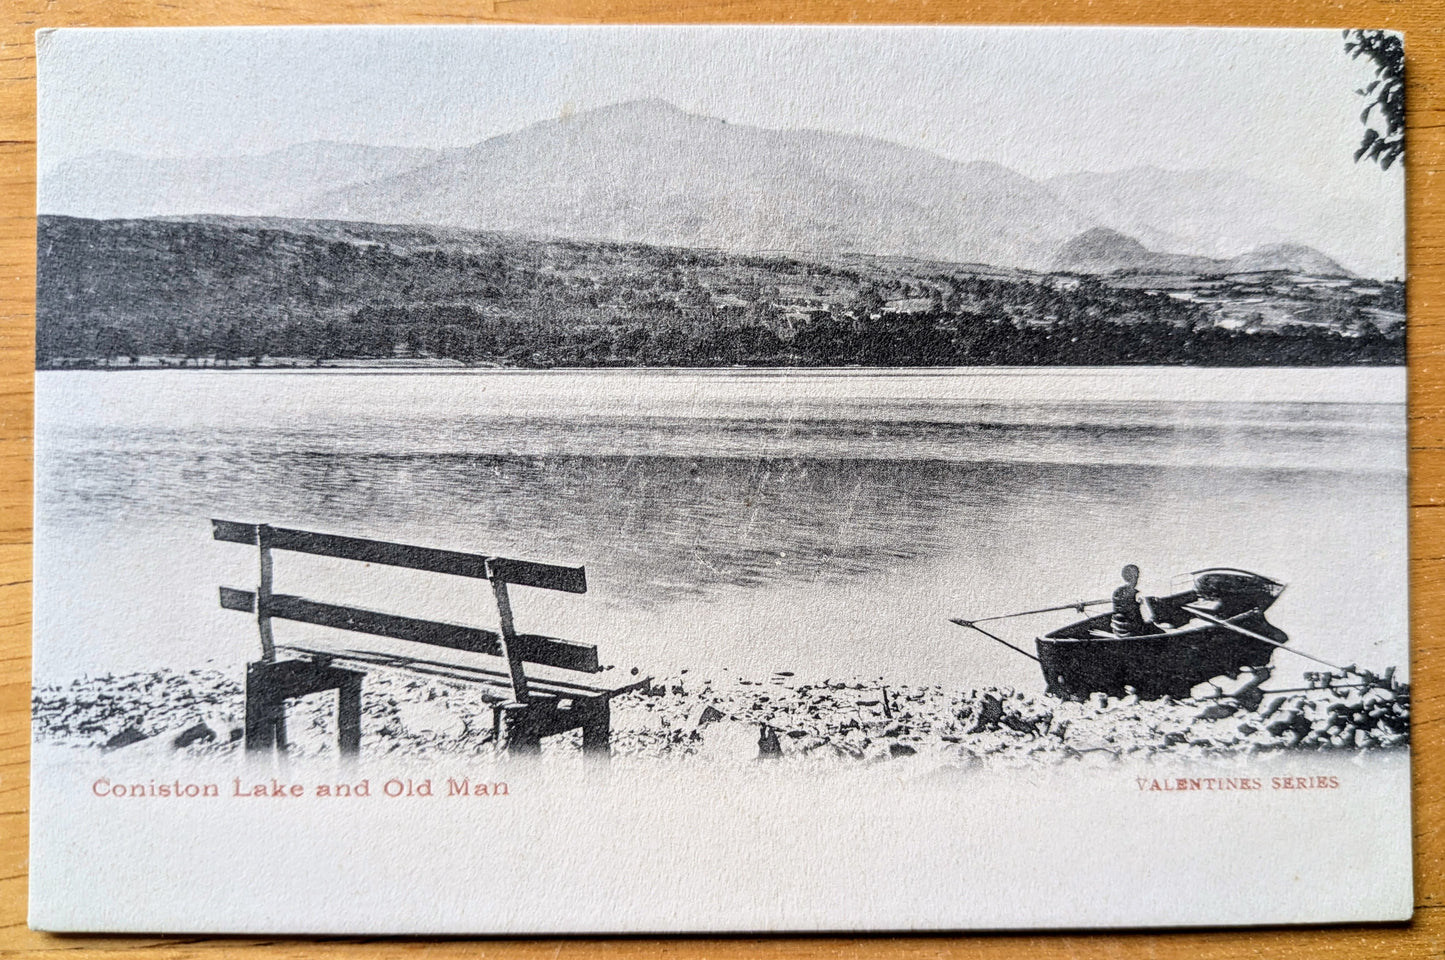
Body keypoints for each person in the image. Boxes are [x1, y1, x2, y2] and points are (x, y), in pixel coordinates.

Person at [1111, 564, 1148, 637]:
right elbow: (1135, 617)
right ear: (1134, 576)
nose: (1138, 578)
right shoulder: (1135, 594)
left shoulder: (1117, 591)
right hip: (1129, 632)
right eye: (1137, 575)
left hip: (1117, 629)